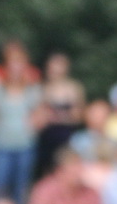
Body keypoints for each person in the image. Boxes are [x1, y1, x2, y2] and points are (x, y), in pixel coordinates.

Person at [0, 41, 41, 204]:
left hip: (25, 146)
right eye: (12, 64)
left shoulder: (33, 91)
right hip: (1, 146)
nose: (16, 68)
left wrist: (34, 124)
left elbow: (40, 116)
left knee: (21, 188)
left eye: (20, 64)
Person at [34, 52, 85, 181]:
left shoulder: (73, 88)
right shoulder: (42, 88)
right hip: (46, 138)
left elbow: (78, 116)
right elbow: (38, 116)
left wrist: (58, 117)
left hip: (64, 136)